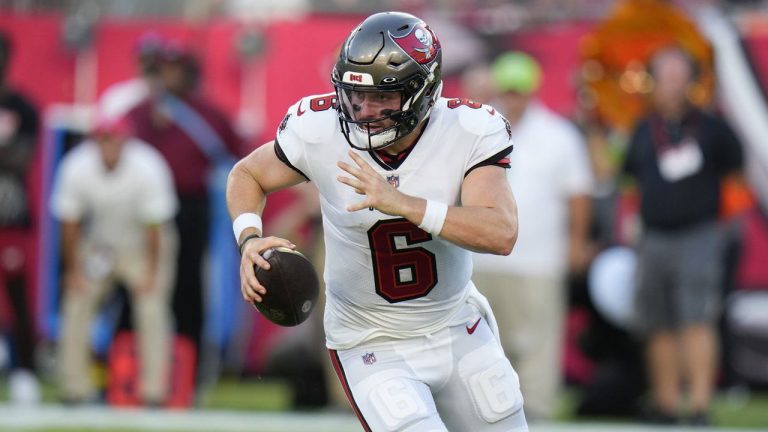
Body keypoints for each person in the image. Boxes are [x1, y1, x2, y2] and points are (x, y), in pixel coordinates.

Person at [228, 12, 528, 431]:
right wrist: (248, 238)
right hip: (369, 339)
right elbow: (247, 174)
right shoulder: (320, 128)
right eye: (354, 95)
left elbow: (500, 232)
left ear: (422, 92)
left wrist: (405, 203)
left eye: (382, 98)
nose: (364, 110)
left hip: (455, 324)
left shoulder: (468, 129)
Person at [623, 45, 744, 425]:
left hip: (700, 234)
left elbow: (737, 182)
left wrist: (724, 229)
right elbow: (629, 181)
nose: (672, 84)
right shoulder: (644, 129)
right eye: (664, 75)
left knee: (697, 318)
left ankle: (700, 406)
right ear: (653, 83)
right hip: (654, 237)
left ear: (692, 81)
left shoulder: (713, 127)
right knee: (656, 322)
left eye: (678, 75)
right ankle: (667, 403)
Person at [472, 51, 594, 421]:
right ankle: (484, 411)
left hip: (540, 257)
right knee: (483, 342)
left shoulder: (558, 134)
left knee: (539, 341)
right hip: (481, 254)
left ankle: (537, 410)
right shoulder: (474, 126)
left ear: (531, 91)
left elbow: (578, 194)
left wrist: (575, 243)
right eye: (507, 89)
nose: (512, 97)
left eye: (519, 90)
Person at [127, 42, 241, 365]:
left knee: (190, 284)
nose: (169, 75)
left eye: (175, 68)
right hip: (147, 209)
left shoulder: (210, 115)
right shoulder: (140, 113)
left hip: (191, 206)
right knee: (142, 284)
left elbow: (238, 159)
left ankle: (190, 366)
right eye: (164, 68)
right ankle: (132, 363)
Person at [51, 117, 178, 406]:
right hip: (100, 244)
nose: (108, 145)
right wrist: (72, 271)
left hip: (143, 245)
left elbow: (155, 228)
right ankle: (74, 388)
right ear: (94, 141)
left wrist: (151, 274)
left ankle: (153, 391)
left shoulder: (148, 166)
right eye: (103, 139)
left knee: (151, 308)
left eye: (113, 138)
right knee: (77, 302)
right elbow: (69, 225)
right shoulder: (76, 166)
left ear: (125, 140)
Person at [0, 31, 41, 405]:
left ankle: (25, 371)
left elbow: (22, 159)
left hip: (10, 216)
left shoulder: (22, 108)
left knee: (17, 297)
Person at [98, 32, 164, 122]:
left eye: (156, 60)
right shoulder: (117, 98)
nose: (150, 66)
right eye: (145, 60)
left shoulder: (178, 100)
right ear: (135, 61)